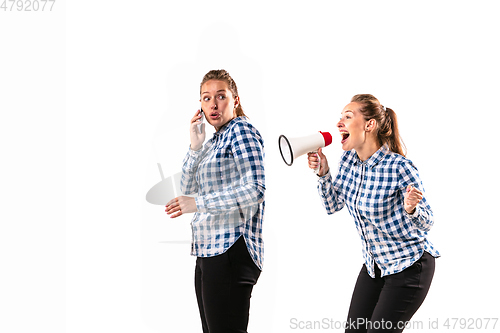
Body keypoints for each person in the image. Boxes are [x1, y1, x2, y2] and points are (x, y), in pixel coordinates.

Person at [307, 94, 439, 333]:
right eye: (340, 117)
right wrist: (323, 173)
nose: (339, 123)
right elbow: (333, 205)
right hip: (375, 265)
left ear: (370, 125)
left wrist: (412, 209)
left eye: (348, 117)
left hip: (409, 266)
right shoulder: (349, 160)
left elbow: (428, 222)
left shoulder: (399, 167)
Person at [165, 69, 265, 333]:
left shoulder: (241, 130)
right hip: (209, 250)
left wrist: (198, 203)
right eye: (206, 98)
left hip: (231, 247)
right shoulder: (213, 142)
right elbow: (187, 191)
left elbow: (255, 190)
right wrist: (195, 146)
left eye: (221, 96)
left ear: (235, 100)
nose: (213, 104)